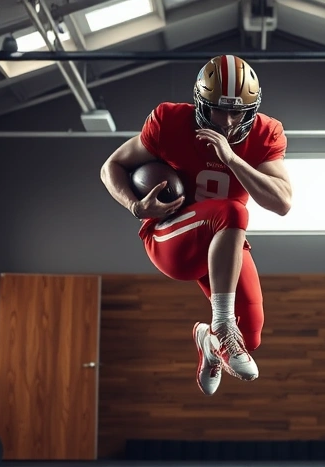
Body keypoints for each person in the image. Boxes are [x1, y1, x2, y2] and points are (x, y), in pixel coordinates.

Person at [99, 54, 292, 396]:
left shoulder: (266, 132)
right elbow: (111, 166)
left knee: (252, 338)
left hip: (223, 244)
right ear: (200, 102)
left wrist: (231, 158)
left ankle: (210, 342)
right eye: (220, 109)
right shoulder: (170, 121)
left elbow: (282, 203)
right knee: (234, 211)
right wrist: (134, 204)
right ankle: (221, 321)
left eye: (239, 111)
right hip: (171, 236)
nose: (230, 121)